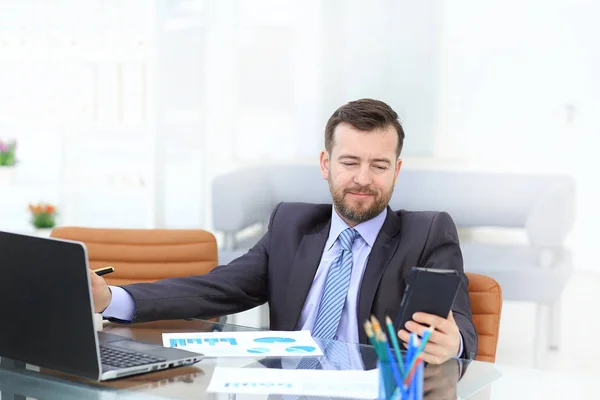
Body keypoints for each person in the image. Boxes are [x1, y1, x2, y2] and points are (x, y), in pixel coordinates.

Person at [90, 98, 477, 364]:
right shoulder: (291, 225)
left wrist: (453, 342)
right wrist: (112, 298)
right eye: (350, 162)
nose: (363, 179)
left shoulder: (427, 232)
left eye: (379, 165)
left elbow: (461, 324)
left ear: (397, 170)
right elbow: (216, 289)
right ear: (325, 164)